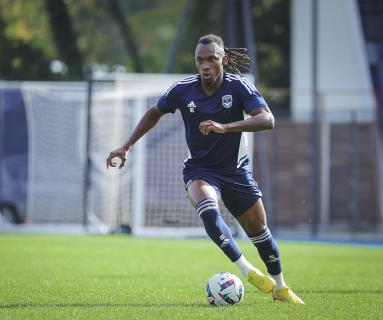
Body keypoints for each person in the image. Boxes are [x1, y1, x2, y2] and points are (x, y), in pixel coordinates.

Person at [106, 34, 304, 304]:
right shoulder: (183, 89)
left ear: (223, 59)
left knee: (259, 232)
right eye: (200, 60)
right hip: (200, 170)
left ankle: (281, 288)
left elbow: (267, 119)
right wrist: (126, 146)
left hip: (235, 172)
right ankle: (247, 269)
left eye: (211, 59)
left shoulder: (238, 87)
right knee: (209, 212)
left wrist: (226, 127)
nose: (205, 65)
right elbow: (155, 112)